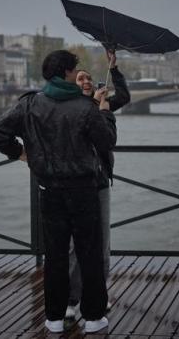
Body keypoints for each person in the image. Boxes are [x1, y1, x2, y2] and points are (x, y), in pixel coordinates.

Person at [0, 50, 115, 334]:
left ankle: (54, 318)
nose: (76, 73)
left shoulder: (31, 104)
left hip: (49, 191)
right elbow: (107, 142)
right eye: (75, 69)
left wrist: (22, 154)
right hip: (83, 191)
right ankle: (94, 317)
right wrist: (104, 111)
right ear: (67, 73)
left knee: (56, 256)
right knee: (89, 254)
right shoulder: (85, 108)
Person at [67, 49, 130, 319]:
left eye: (89, 78)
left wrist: (114, 69)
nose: (87, 81)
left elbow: (125, 97)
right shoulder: (70, 109)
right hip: (76, 182)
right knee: (73, 245)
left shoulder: (100, 103)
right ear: (72, 84)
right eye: (80, 78)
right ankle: (72, 297)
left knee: (102, 243)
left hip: (100, 181)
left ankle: (98, 294)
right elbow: (102, 138)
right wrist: (100, 109)